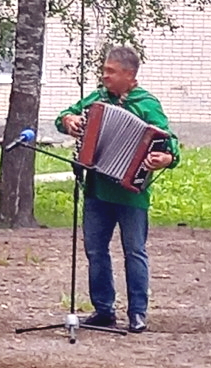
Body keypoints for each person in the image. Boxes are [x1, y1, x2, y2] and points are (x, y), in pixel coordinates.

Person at [55, 46, 181, 333]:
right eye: (104, 70)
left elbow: (170, 145)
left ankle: (137, 313)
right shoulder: (97, 99)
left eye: (111, 71)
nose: (105, 76)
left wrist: (166, 158)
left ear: (129, 74)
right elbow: (64, 116)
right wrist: (68, 120)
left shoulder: (147, 105)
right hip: (97, 189)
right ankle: (103, 309)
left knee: (134, 250)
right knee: (95, 250)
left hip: (131, 193)